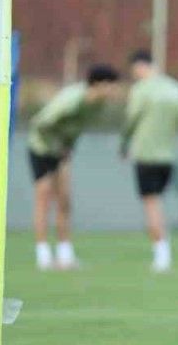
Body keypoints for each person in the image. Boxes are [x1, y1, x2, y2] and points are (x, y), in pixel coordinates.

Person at [26, 64, 120, 271]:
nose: (115, 90)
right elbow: (41, 123)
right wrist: (56, 144)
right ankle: (43, 255)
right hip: (41, 148)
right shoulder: (72, 99)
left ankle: (65, 255)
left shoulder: (97, 105)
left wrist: (66, 147)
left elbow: (75, 129)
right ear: (99, 84)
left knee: (64, 201)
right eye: (112, 85)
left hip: (61, 151)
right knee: (43, 199)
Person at [120, 50, 178, 273]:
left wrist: (124, 145)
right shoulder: (176, 90)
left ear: (140, 66)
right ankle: (162, 250)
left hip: (146, 155)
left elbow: (131, 120)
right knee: (157, 202)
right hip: (167, 157)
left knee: (152, 204)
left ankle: (161, 254)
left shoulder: (141, 90)